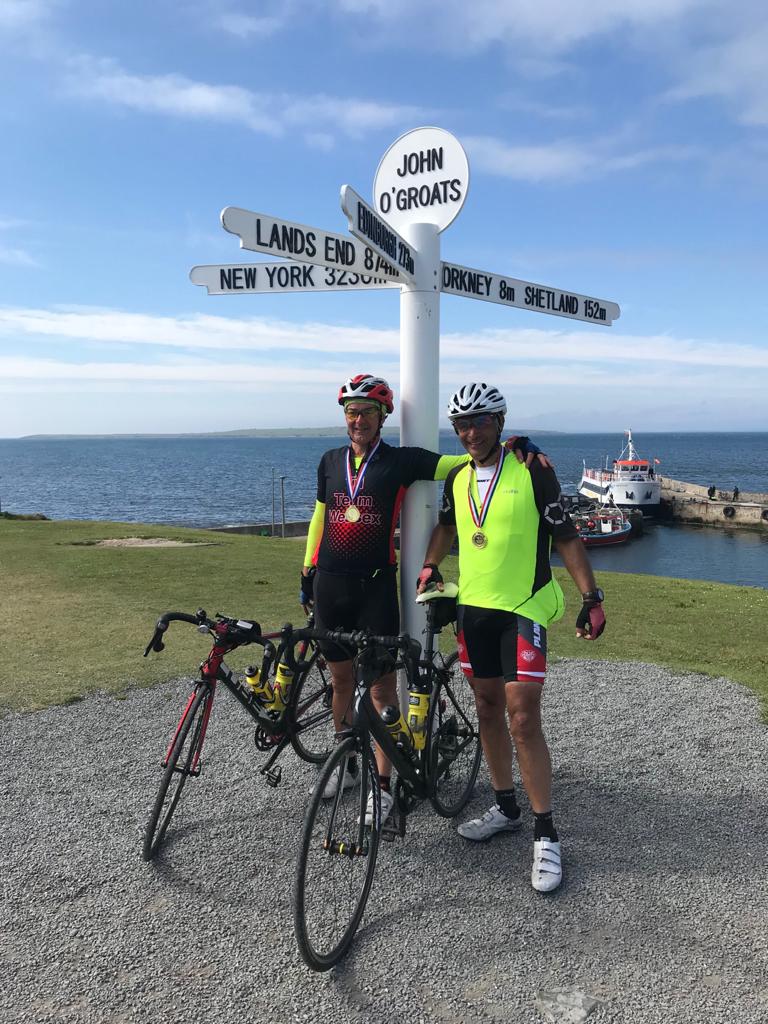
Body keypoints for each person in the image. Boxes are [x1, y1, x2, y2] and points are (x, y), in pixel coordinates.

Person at [300, 373, 545, 825]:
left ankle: (382, 786)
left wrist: (514, 445)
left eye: (367, 412)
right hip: (329, 585)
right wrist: (306, 570)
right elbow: (320, 516)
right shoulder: (329, 461)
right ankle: (347, 766)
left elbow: (464, 459)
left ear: (383, 417)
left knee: (380, 688)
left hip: (375, 588)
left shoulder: (401, 461)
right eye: (351, 412)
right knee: (339, 681)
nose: (358, 420)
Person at [417, 382, 606, 894]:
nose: (470, 432)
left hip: (523, 608)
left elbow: (565, 536)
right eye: (461, 424)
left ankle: (546, 834)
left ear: (499, 422)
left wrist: (591, 598)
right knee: (485, 710)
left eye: (479, 421)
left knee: (522, 718)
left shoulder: (532, 468)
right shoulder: (457, 476)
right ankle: (505, 807)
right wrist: (431, 564)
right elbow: (447, 527)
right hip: (473, 609)